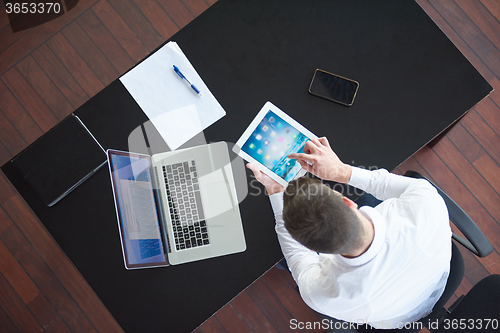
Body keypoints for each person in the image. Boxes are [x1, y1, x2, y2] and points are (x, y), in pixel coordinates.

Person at [247, 137, 452, 330]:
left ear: (314, 250)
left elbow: (297, 255)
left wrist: (275, 190)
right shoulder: (427, 206)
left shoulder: (322, 295)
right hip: (431, 278)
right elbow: (385, 183)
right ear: (348, 201)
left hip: (395, 312)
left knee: (280, 258)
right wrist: (341, 171)